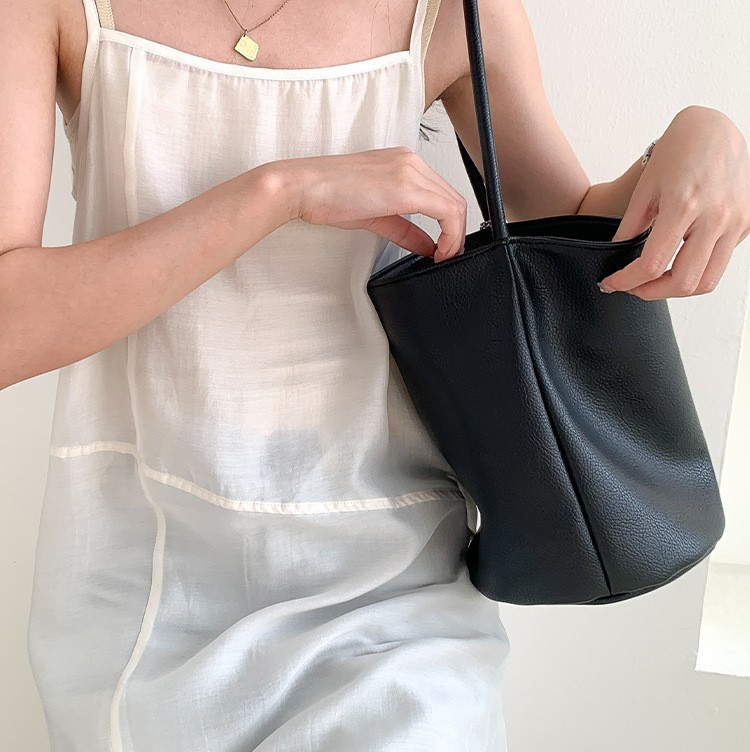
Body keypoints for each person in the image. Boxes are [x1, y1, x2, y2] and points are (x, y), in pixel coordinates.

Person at [1, 0, 748, 750]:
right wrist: (279, 193)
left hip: (395, 589)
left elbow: (571, 240)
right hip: (147, 588)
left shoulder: (457, 11)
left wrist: (699, 137)